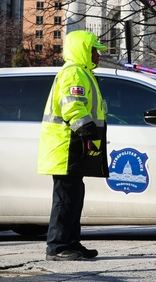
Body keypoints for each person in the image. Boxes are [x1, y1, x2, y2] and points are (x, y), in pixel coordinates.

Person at [38, 30, 110, 260]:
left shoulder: (82, 73)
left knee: (74, 197)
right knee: (65, 199)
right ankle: (57, 247)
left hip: (73, 145)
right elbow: (72, 106)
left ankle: (71, 243)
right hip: (66, 146)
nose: (98, 55)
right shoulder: (74, 74)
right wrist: (86, 128)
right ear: (83, 50)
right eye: (94, 50)